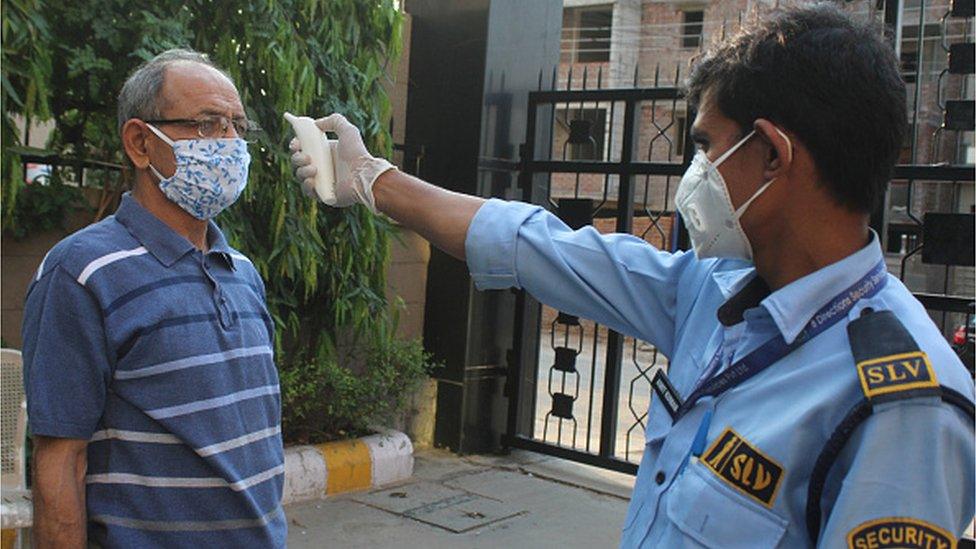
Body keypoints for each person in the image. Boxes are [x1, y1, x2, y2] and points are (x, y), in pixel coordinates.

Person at [291, 4, 975, 547]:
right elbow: (541, 247)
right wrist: (374, 180)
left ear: (771, 153)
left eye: (706, 145)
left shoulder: (900, 405)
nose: (694, 173)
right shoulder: (713, 289)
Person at [22, 49, 285, 548]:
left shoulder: (244, 274)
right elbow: (61, 460)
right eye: (207, 124)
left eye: (237, 126)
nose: (229, 144)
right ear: (141, 143)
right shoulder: (79, 273)